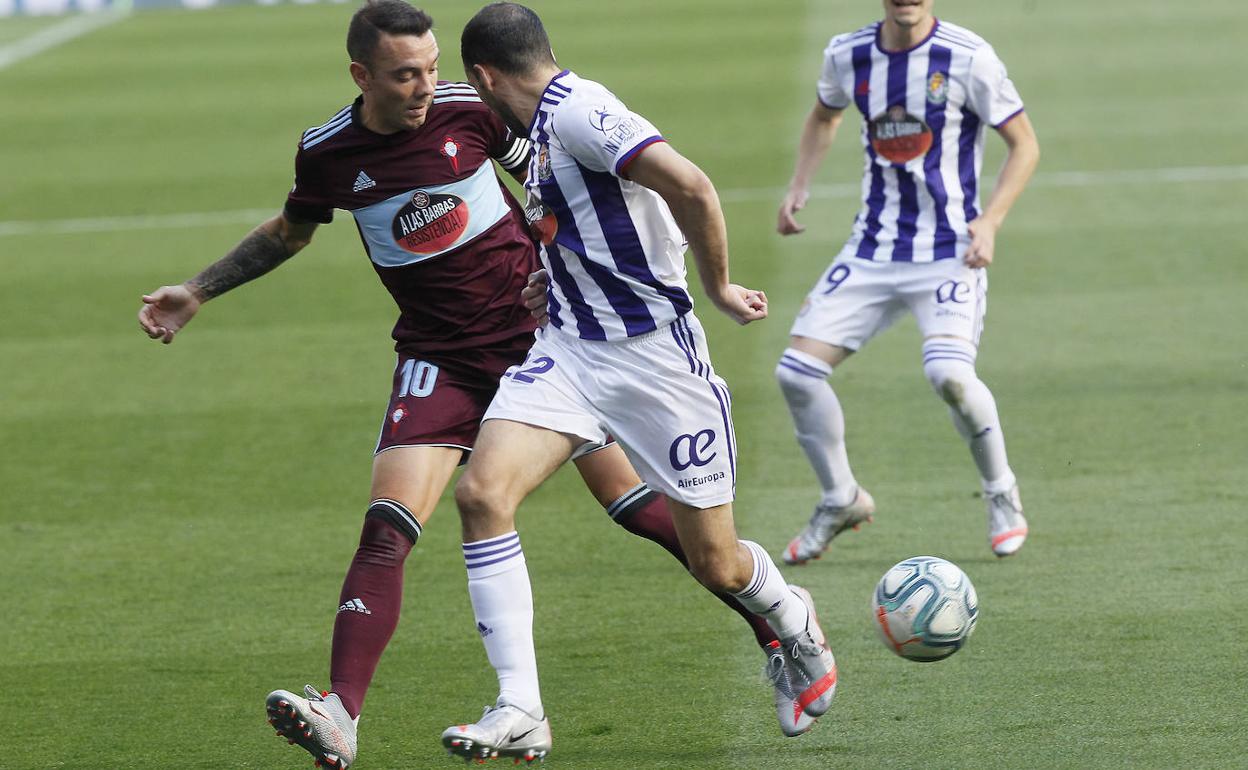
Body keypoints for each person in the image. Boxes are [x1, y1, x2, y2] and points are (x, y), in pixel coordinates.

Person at [136, 3, 815, 767]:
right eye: (405, 74)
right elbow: (290, 232)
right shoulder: (328, 153)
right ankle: (343, 714)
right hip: (439, 355)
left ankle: (776, 623)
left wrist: (567, 279)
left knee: (640, 510)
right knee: (393, 522)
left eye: (431, 67)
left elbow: (558, 191)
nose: (427, 86)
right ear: (362, 75)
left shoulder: (473, 110)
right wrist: (198, 290)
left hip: (544, 340)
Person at [436, 3, 839, 763]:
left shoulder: (583, 113)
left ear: (483, 77)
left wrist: (717, 287)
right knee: (483, 495)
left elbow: (690, 185)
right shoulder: (541, 133)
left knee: (716, 560)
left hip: (657, 364)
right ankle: (521, 705)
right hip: (570, 354)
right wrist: (552, 281)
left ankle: (791, 615)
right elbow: (581, 223)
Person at [773, 0, 1040, 565]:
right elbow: (825, 115)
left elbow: (1025, 144)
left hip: (949, 251)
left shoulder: (968, 58)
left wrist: (989, 222)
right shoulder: (848, 54)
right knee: (795, 374)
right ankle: (841, 497)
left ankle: (1002, 495)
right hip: (873, 248)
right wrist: (800, 184)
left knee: (949, 374)